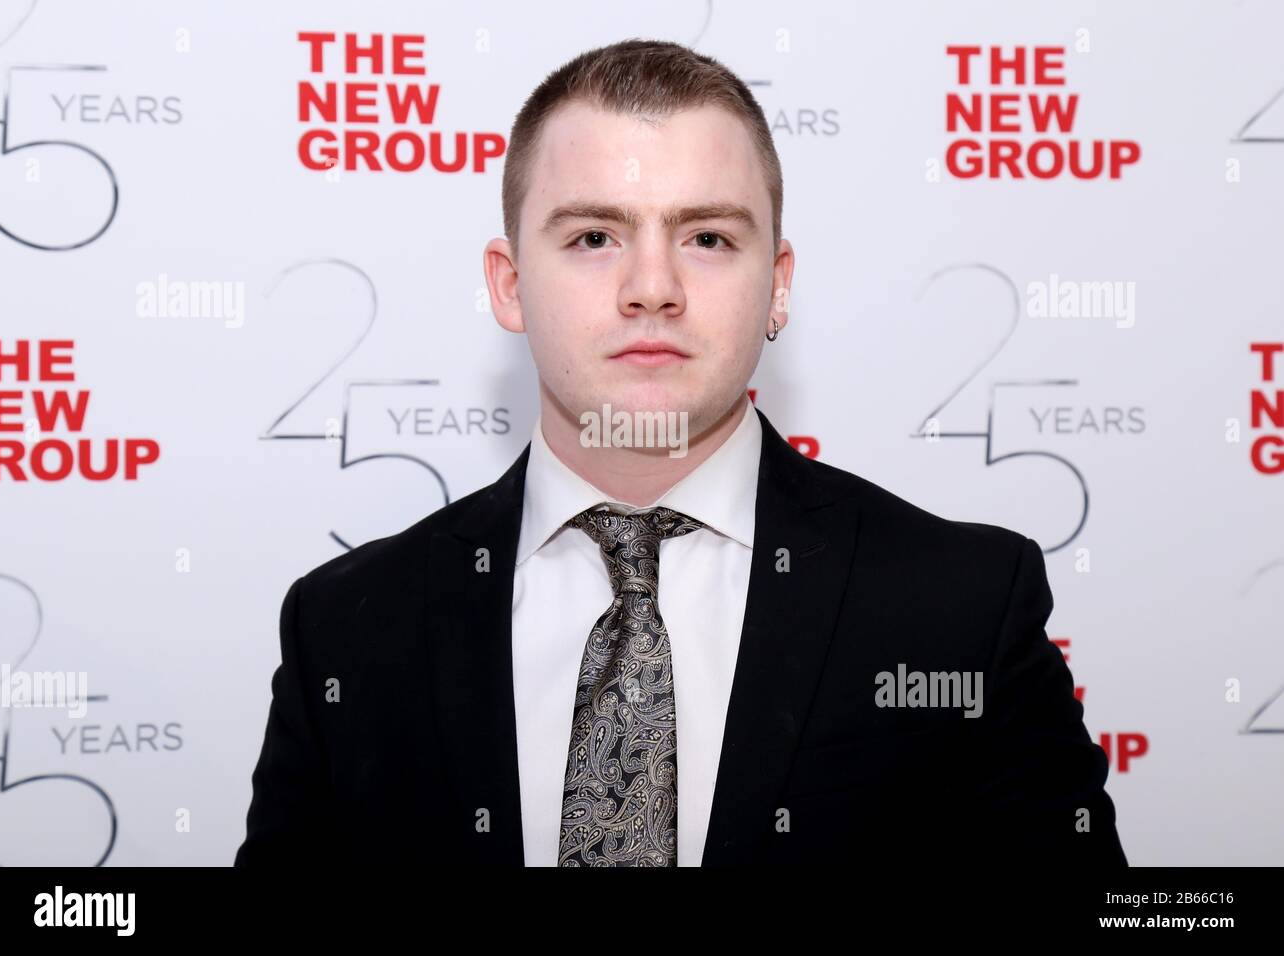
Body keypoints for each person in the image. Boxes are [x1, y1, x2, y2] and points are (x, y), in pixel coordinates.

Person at [235, 38, 1126, 867]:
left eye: (707, 238)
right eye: (594, 238)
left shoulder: (961, 604)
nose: (652, 289)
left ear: (777, 285)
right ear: (508, 287)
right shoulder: (347, 629)